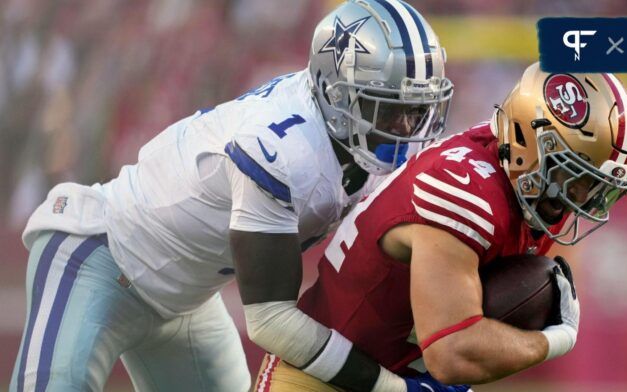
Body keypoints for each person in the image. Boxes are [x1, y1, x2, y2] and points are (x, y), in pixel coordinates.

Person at [10, 1, 454, 391]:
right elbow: (273, 322)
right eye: (388, 109)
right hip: (99, 254)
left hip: (188, 299)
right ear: (336, 95)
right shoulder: (284, 149)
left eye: (416, 111)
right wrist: (392, 387)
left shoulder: (347, 134)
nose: (404, 129)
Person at [255, 63, 627, 389]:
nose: (581, 198)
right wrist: (555, 340)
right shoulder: (465, 191)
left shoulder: (521, 179)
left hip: (397, 375)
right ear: (528, 140)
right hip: (323, 377)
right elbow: (452, 352)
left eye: (596, 187)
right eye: (575, 177)